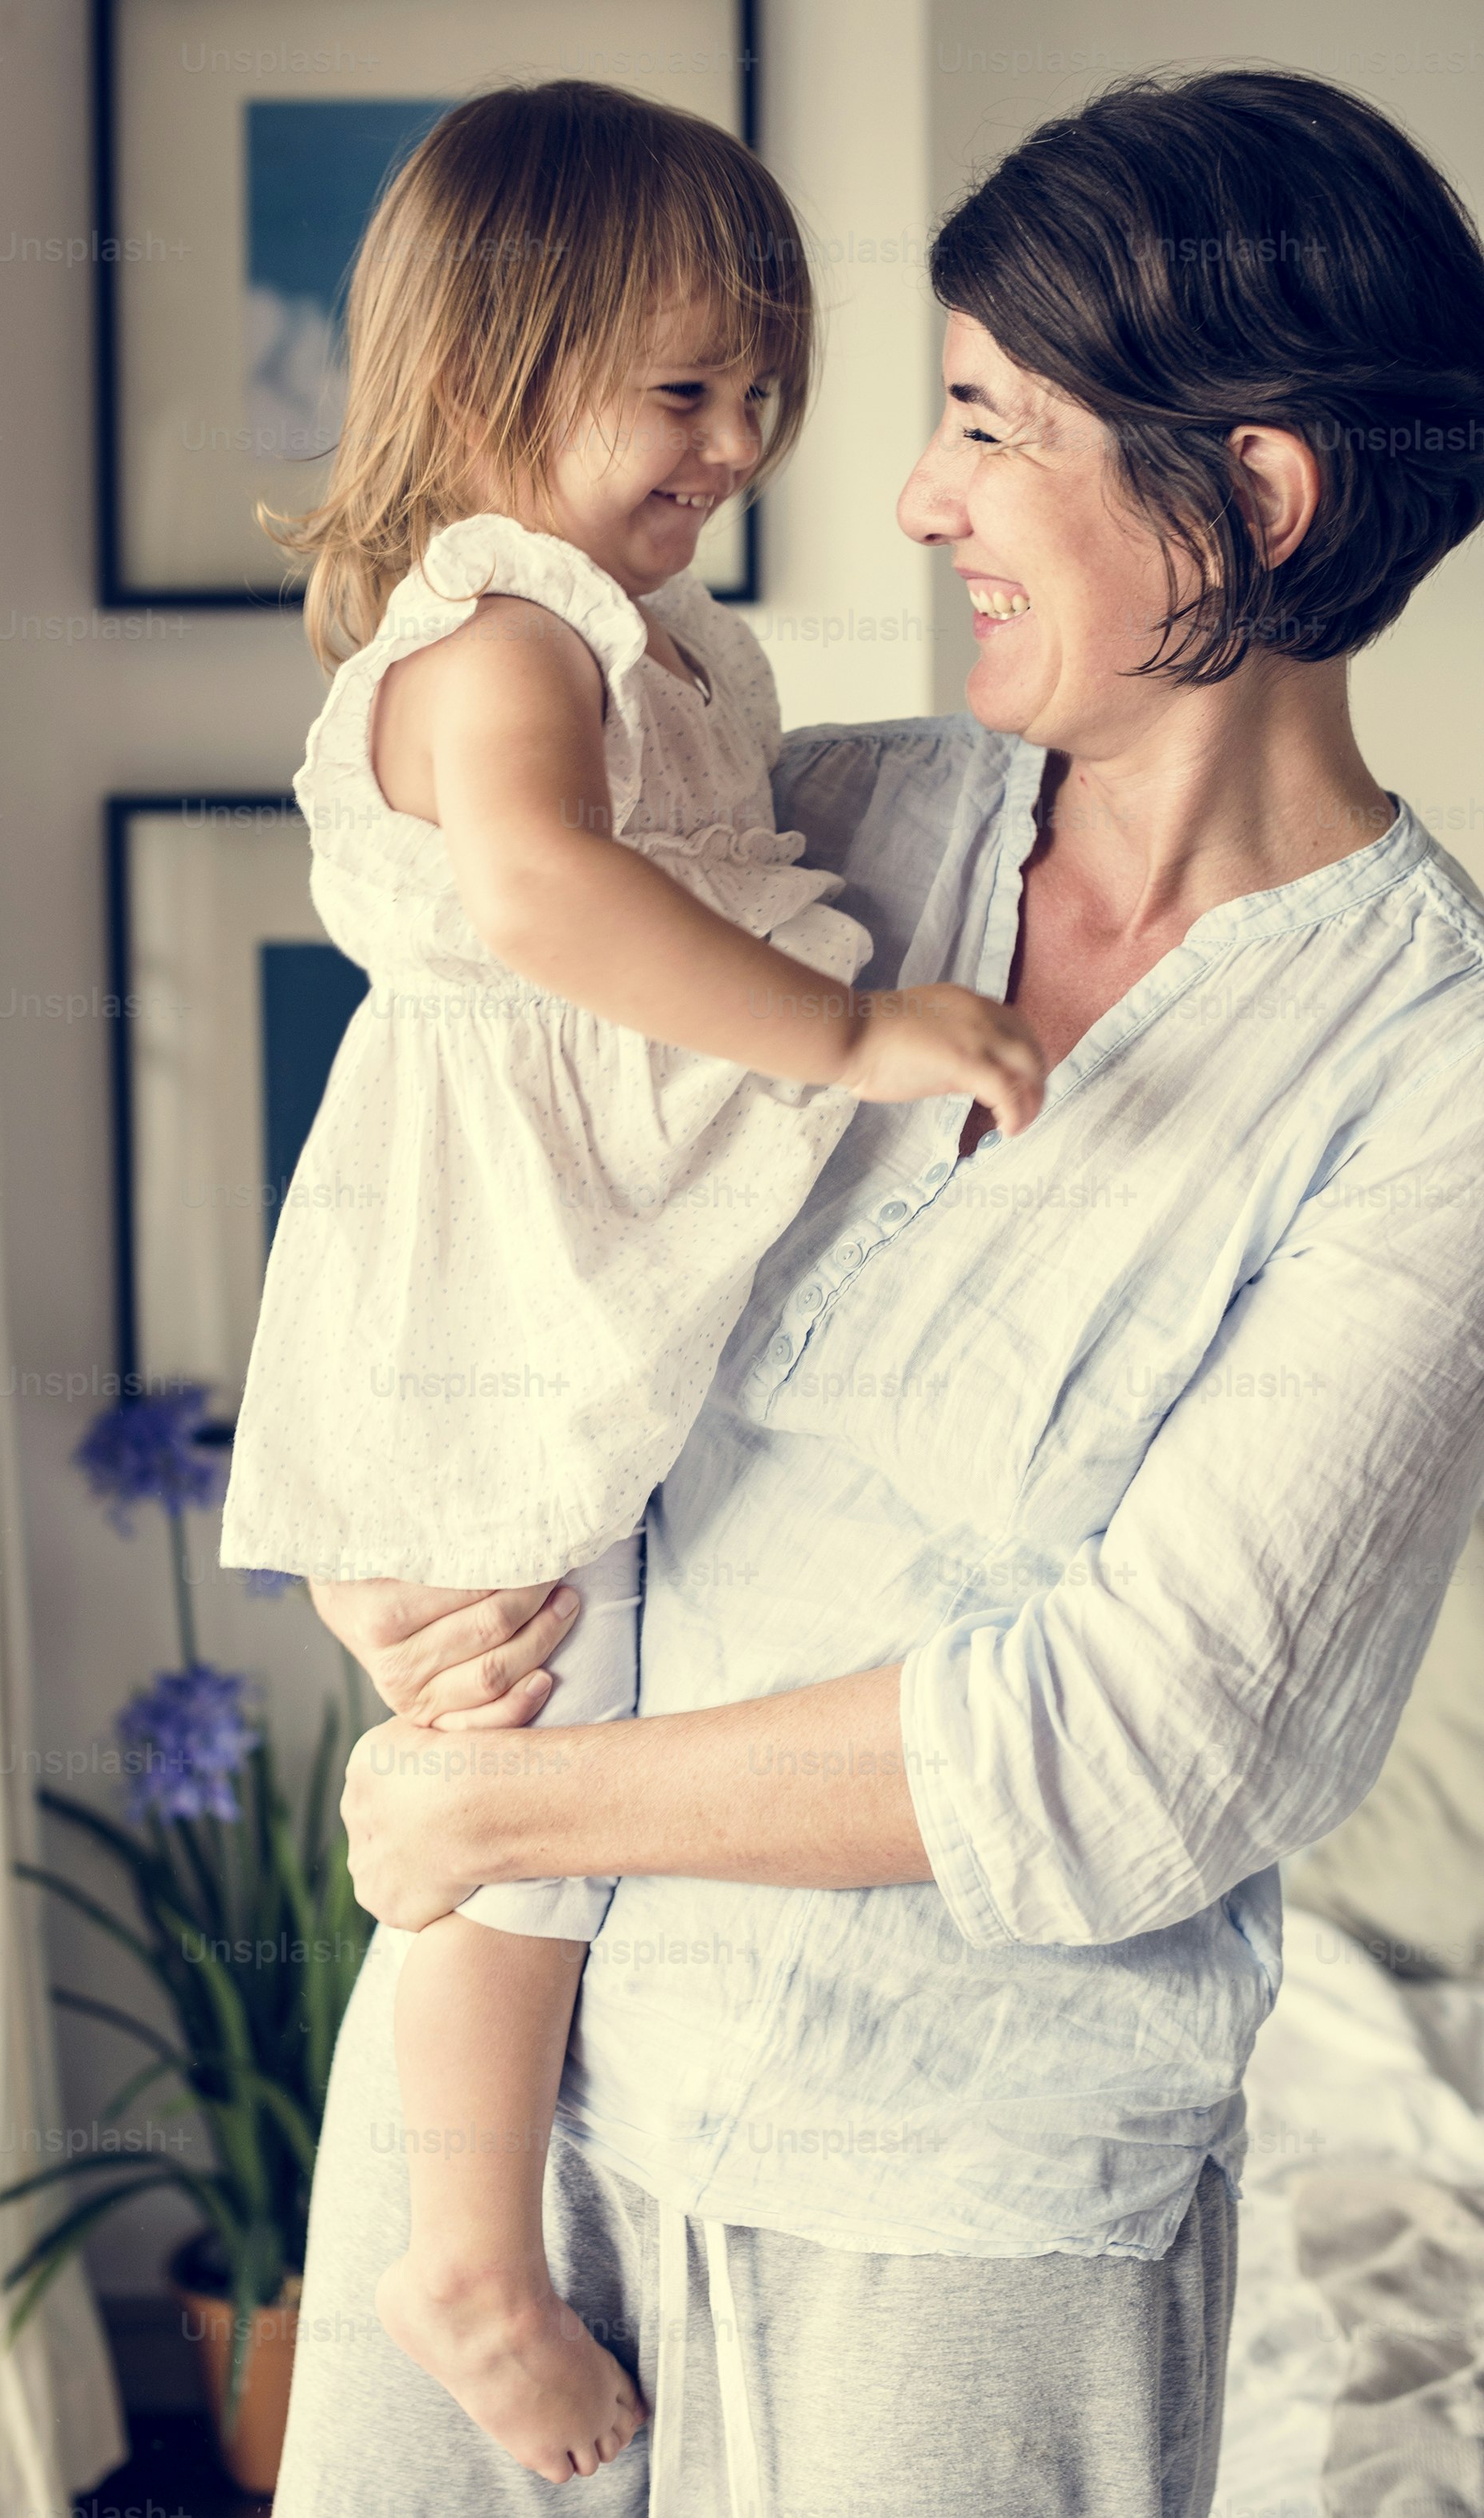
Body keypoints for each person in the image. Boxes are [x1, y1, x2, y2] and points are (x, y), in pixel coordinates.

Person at [290, 68, 1484, 2518]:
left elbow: (1140, 1746)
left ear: (1254, 497)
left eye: (986, 425)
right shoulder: (789, 819)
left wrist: (496, 1788)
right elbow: (457, 1193)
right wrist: (383, 1589)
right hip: (501, 2122)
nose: (916, 494)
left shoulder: (1432, 1074)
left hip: (950, 2206)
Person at [217, 80, 1042, 2488]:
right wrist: (858, 1029)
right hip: (484, 1300)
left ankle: (472, 2221)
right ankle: (460, 2249)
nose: (742, 441)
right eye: (686, 389)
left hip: (573, 1281)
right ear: (491, 369)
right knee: (518, 1765)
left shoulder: (659, 639)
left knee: (550, 1722)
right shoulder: (498, 642)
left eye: (759, 390)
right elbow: (563, 906)